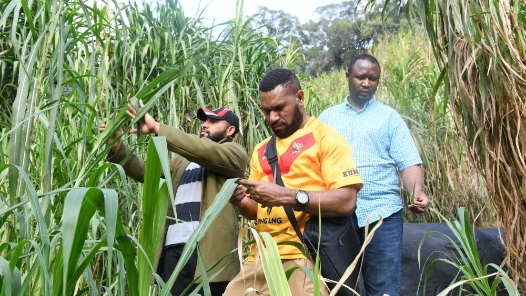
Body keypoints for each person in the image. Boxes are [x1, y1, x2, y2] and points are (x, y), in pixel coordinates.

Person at [224, 69, 364, 296]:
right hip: (260, 257)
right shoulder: (261, 150)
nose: (272, 118)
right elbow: (255, 212)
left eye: (279, 108)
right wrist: (240, 200)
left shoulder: (326, 139)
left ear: (299, 98)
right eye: (267, 111)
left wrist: (283, 195)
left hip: (303, 257)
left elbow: (347, 201)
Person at [99, 102, 248, 296]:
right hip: (173, 249)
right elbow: (146, 171)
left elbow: (203, 150)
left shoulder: (235, 154)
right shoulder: (182, 161)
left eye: (213, 121)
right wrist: (118, 148)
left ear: (230, 130)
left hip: (209, 254)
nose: (205, 125)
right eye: (204, 121)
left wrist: (157, 128)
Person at [318, 53, 430, 296]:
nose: (366, 83)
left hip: (382, 216)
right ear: (347, 77)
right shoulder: (327, 119)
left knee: (384, 289)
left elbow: (408, 162)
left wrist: (416, 192)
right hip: (337, 216)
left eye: (373, 79)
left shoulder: (389, 118)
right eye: (360, 77)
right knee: (339, 288)